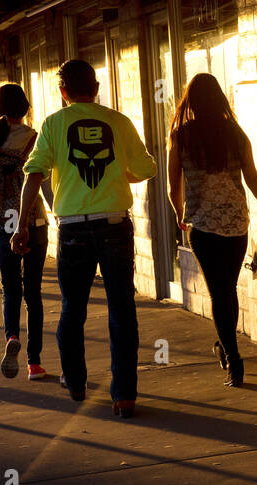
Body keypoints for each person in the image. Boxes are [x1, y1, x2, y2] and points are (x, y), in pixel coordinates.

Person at [14, 59, 155, 412]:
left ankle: (76, 380)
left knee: (72, 308)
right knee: (122, 309)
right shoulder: (119, 121)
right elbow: (144, 168)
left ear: (63, 92)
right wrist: (118, 175)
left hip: (73, 229)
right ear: (96, 89)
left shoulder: (53, 124)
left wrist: (21, 225)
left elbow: (34, 175)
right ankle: (124, 395)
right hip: (115, 226)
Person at [168, 73, 257, 388]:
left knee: (219, 292)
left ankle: (232, 357)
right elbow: (253, 177)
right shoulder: (235, 133)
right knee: (227, 290)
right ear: (220, 98)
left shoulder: (181, 136)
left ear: (190, 101)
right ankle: (227, 346)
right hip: (236, 225)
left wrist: (180, 213)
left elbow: (173, 185)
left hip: (202, 227)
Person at [0, 84, 52, 381]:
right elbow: (45, 185)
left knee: (10, 289)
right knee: (34, 292)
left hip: (3, 223)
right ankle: (35, 362)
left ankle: (11, 336)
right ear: (26, 107)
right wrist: (62, 216)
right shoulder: (35, 139)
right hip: (33, 222)